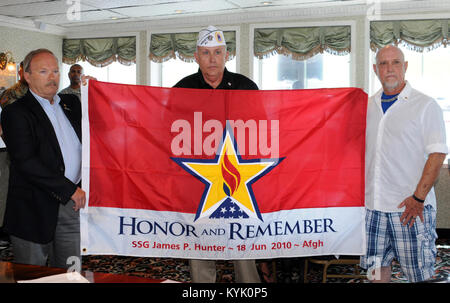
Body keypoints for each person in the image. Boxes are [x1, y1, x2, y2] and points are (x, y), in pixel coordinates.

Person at [173, 26, 260, 283]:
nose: (212, 59)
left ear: (226, 55)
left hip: (240, 178)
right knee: (200, 246)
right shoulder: (182, 89)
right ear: (196, 56)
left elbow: (262, 130)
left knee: (243, 246)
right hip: (197, 180)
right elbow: (162, 129)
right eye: (206, 53)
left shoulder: (247, 87)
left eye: (217, 53)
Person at [361, 45, 448, 283]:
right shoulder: (367, 106)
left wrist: (418, 198)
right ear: (375, 69)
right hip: (372, 209)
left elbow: (437, 154)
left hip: (410, 209)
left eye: (396, 62)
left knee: (418, 274)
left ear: (405, 66)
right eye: (383, 64)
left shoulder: (425, 105)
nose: (389, 69)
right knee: (376, 273)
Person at [0, 48, 86, 269]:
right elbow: (26, 161)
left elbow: (100, 122)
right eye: (44, 71)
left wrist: (96, 91)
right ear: (26, 76)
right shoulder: (15, 112)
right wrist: (69, 189)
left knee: (70, 269)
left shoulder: (71, 104)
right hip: (34, 207)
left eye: (56, 71)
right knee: (33, 271)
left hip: (72, 205)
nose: (52, 77)